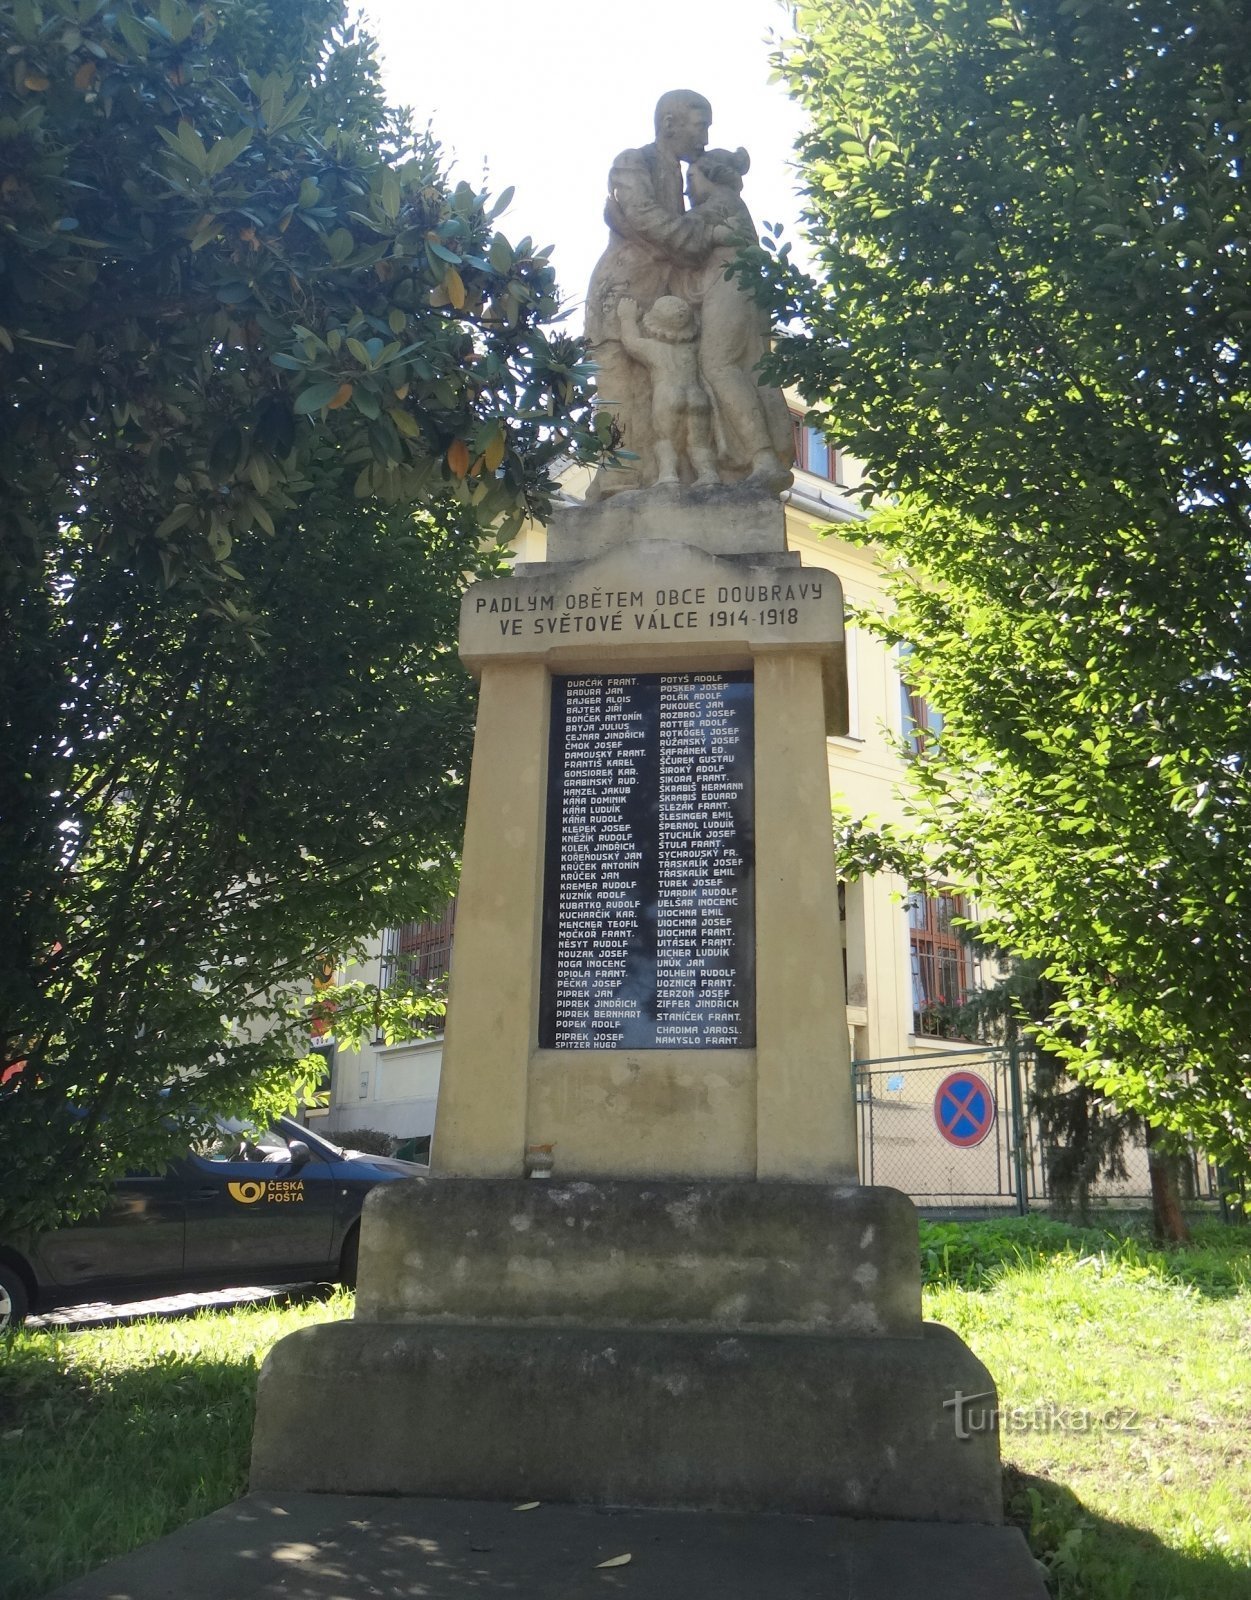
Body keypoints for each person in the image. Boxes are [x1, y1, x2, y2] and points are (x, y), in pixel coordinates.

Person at [584, 91, 721, 497]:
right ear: (669, 124)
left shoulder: (681, 175)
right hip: (622, 292)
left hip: (663, 301)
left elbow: (643, 224)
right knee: (619, 387)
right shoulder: (634, 161)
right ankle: (618, 480)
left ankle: (667, 475)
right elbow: (643, 216)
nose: (706, 137)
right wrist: (694, 238)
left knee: (664, 393)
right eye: (701, 126)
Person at [685, 147, 794, 489]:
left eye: (691, 178)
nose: (687, 189)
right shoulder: (730, 204)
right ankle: (771, 454)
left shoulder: (718, 204)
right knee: (752, 367)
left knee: (719, 365)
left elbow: (681, 232)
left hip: (729, 287)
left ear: (711, 174)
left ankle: (761, 456)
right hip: (738, 288)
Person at [615, 296, 720, 487]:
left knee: (665, 440)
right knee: (699, 442)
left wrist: (627, 318)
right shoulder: (692, 349)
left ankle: (668, 475)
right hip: (697, 396)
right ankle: (708, 474)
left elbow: (630, 342)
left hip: (668, 395)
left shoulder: (654, 348)